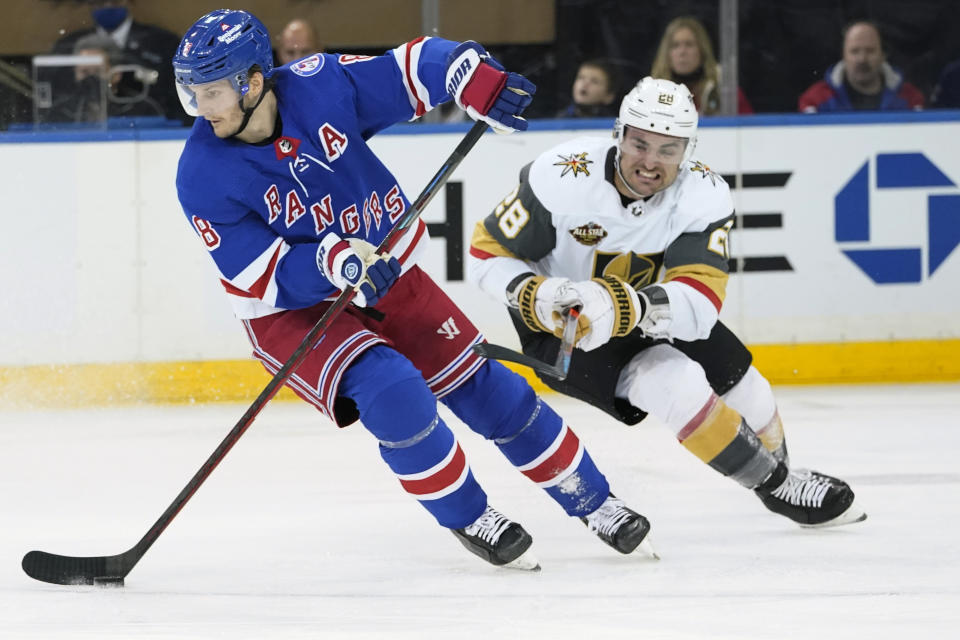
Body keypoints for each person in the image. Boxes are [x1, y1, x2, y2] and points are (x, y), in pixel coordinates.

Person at [173, 9, 653, 571]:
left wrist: (466, 75)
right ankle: (470, 515)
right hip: (291, 311)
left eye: (210, 93)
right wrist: (334, 261)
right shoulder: (200, 174)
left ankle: (594, 500)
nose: (202, 111)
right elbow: (262, 275)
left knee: (491, 393)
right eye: (193, 95)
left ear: (252, 82)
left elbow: (410, 69)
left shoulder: (320, 84)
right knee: (395, 392)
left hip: (383, 274)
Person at [467, 76, 867, 532]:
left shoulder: (703, 195)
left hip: (650, 313)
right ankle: (778, 487)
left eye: (668, 149)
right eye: (639, 144)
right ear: (618, 134)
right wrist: (535, 294)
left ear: (688, 151)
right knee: (674, 381)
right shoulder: (560, 175)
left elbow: (700, 302)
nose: (650, 162)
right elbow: (485, 253)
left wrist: (623, 307)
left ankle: (778, 478)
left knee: (748, 388)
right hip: (563, 332)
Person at [53, 0, 188, 124]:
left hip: (146, 125)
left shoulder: (164, 43)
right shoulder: (67, 45)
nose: (108, 6)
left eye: (114, 2)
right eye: (100, 2)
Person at [798, 21, 924, 113]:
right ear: (843, 55)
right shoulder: (815, 99)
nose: (862, 59)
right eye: (854, 51)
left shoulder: (910, 98)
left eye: (870, 51)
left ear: (883, 54)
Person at [650, 16, 753, 115]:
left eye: (689, 44)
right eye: (675, 45)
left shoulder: (724, 91)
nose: (682, 52)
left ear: (702, 50)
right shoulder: (651, 94)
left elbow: (748, 130)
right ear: (666, 53)